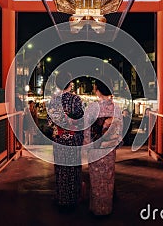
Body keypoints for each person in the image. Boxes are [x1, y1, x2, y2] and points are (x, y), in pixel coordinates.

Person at [83, 78, 123, 216]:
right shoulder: (116, 108)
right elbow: (119, 131)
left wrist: (86, 145)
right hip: (109, 148)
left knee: (95, 178)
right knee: (108, 178)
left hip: (95, 148)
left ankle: (96, 208)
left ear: (98, 92)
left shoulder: (92, 108)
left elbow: (87, 129)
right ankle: (107, 208)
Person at [46, 71, 84, 211]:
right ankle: (73, 199)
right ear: (70, 84)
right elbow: (81, 121)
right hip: (73, 139)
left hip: (59, 139)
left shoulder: (53, 100)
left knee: (61, 169)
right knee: (73, 169)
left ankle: (61, 198)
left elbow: (49, 122)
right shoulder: (76, 99)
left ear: (57, 84)